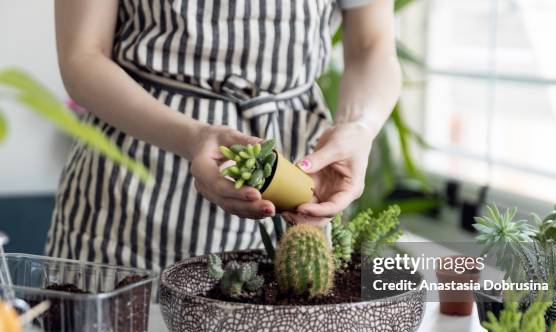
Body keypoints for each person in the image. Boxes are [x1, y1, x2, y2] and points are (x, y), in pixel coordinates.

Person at [46, 0, 401, 272]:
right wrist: (190, 136)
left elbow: (372, 47)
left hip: (295, 167)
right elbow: (82, 56)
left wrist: (359, 126)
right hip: (130, 182)